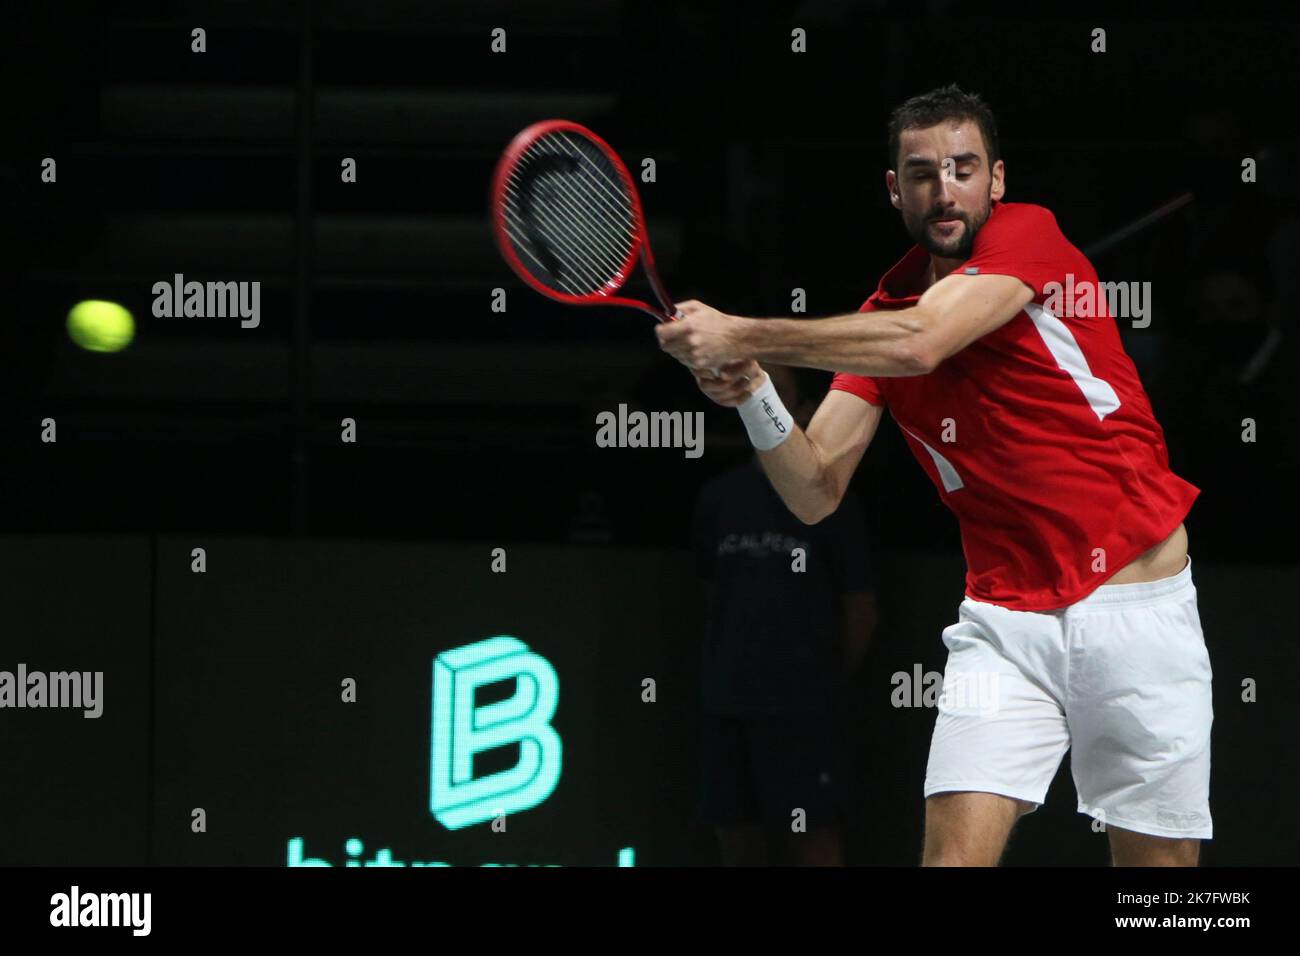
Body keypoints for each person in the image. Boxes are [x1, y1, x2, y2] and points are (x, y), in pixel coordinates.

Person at [657, 84, 1212, 867]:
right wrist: (751, 389)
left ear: (997, 181)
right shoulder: (880, 317)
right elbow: (813, 490)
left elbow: (922, 342)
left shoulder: (1030, 238)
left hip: (1135, 608)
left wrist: (743, 332)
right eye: (921, 172)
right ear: (895, 189)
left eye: (963, 168)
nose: (944, 189)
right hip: (1005, 624)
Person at [691, 365, 877, 866]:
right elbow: (711, 597)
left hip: (804, 710)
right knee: (736, 838)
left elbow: (859, 606)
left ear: (805, 410)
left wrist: (825, 682)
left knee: (813, 836)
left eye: (776, 394)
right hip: (728, 702)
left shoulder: (836, 505)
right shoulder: (719, 499)